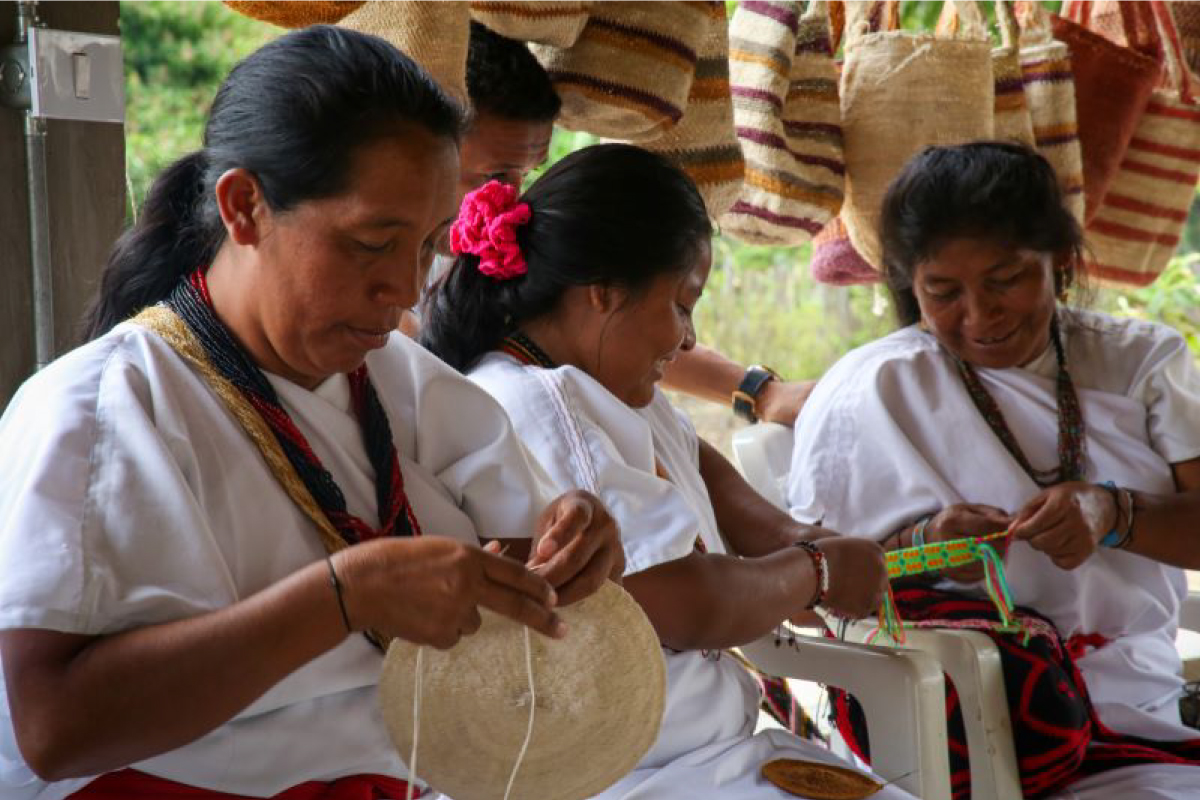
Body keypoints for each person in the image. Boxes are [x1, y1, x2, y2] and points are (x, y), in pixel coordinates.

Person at [0, 26, 624, 800]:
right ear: (244, 207)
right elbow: (55, 729)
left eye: (429, 246)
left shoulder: (400, 381)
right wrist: (342, 597)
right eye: (371, 243)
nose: (403, 289)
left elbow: (518, 549)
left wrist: (574, 539)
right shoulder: (101, 408)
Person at [421, 143, 908, 800]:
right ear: (603, 293)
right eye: (681, 303)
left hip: (698, 757)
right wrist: (814, 574)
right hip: (634, 778)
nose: (686, 339)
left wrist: (813, 544)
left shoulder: (606, 391)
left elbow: (715, 485)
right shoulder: (541, 403)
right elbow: (686, 601)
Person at [787, 141, 1200, 799]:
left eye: (1006, 279)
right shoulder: (871, 390)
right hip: (940, 736)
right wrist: (921, 549)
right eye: (942, 292)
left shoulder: (1140, 363)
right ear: (908, 284)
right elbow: (806, 595)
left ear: (1060, 259)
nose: (980, 316)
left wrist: (1113, 513)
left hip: (1133, 713)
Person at [400, 21, 813, 426]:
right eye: (494, 177)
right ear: (428, 151)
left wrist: (756, 391)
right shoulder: (392, 290)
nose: (511, 198)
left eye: (527, 174)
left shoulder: (490, 257)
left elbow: (624, 335)